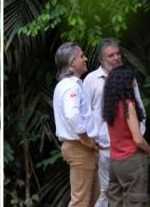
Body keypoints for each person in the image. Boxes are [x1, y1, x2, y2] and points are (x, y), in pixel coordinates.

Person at [84, 39, 146, 207]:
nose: (116, 58)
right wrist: (91, 140)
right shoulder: (91, 80)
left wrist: (138, 138)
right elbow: (86, 113)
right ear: (100, 59)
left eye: (118, 54)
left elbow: (139, 107)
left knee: (131, 196)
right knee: (106, 193)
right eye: (110, 55)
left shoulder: (128, 77)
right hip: (104, 148)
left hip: (129, 147)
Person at [53, 42, 99, 207]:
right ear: (72, 62)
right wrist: (86, 140)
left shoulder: (71, 84)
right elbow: (73, 115)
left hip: (82, 146)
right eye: (81, 56)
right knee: (81, 201)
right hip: (79, 146)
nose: (85, 59)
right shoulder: (70, 86)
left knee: (91, 198)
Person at [102, 65, 150, 207]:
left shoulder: (109, 105)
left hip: (114, 160)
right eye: (133, 79)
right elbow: (137, 139)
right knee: (135, 202)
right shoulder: (127, 105)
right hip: (131, 160)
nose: (135, 81)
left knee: (115, 202)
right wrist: (149, 150)